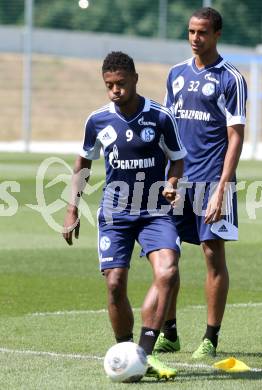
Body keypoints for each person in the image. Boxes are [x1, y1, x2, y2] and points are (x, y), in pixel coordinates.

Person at [63, 51, 187, 379]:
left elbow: (177, 159)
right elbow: (84, 163)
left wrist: (171, 183)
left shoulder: (160, 117)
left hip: (155, 212)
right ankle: (124, 348)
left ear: (135, 79)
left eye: (120, 83)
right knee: (115, 284)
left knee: (168, 272)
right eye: (109, 85)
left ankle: (142, 354)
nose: (115, 90)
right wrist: (72, 207)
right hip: (116, 213)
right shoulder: (98, 121)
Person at [154, 7, 247, 358]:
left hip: (212, 181)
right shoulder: (175, 74)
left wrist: (222, 189)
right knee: (167, 254)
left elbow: (236, 136)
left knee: (212, 255)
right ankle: (170, 331)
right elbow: (167, 130)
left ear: (217, 34)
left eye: (203, 32)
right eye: (191, 32)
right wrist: (166, 178)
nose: (196, 38)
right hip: (177, 182)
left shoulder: (231, 78)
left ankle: (210, 337)